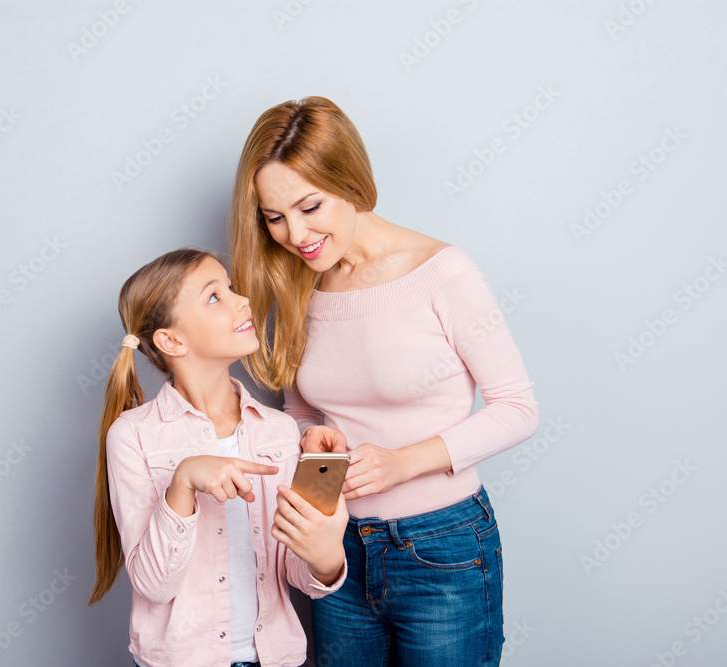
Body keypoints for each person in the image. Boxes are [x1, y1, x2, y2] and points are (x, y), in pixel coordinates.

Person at [228, 96, 540, 666]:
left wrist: (402, 463)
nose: (295, 234)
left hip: (441, 548)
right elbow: (304, 414)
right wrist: (315, 445)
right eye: (274, 217)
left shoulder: (443, 273)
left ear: (347, 181)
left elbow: (518, 408)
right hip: (336, 549)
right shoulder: (302, 286)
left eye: (310, 206)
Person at [89, 247, 349, 667]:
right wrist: (183, 482)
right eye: (215, 297)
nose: (242, 299)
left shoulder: (279, 431)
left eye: (230, 288)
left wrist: (326, 556)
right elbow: (154, 585)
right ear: (171, 340)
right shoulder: (133, 436)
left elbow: (300, 575)